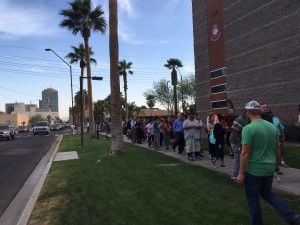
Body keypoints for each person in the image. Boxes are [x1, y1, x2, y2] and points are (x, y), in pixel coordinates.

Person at [237, 100, 300, 225]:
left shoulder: (248, 129)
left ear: (248, 112)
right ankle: (292, 217)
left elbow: (245, 153)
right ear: (259, 111)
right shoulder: (271, 126)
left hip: (254, 170)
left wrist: (241, 173)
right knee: (268, 194)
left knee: (252, 199)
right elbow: (277, 147)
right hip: (269, 169)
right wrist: (277, 165)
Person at [229, 110, 248, 180]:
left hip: (243, 142)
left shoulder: (248, 120)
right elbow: (234, 131)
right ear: (245, 112)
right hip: (235, 142)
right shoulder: (239, 119)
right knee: (238, 159)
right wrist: (239, 142)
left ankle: (242, 173)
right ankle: (234, 175)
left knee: (243, 158)